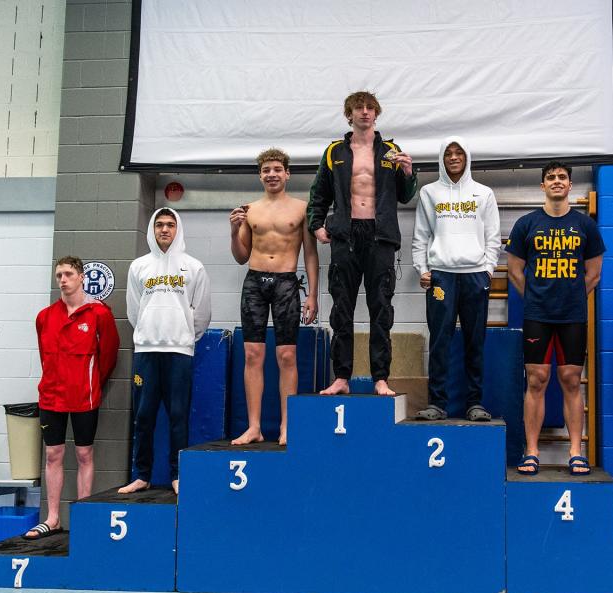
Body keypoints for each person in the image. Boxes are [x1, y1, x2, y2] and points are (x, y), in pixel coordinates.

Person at [307, 91, 417, 397]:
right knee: (342, 308)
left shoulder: (391, 151)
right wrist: (316, 225)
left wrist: (408, 172)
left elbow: (406, 195)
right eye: (359, 108)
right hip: (346, 236)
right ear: (349, 114)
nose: (365, 112)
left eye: (370, 108)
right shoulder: (334, 152)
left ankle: (380, 377)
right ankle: (342, 377)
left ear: (376, 114)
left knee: (380, 308)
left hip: (380, 236)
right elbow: (318, 194)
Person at [506, 161, 605, 476]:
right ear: (543, 186)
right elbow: (514, 271)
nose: (557, 181)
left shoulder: (585, 226)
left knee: (571, 381)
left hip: (572, 315)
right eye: (551, 177)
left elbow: (594, 273)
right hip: (537, 315)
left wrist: (572, 297)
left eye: (562, 177)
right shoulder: (526, 224)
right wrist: (537, 297)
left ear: (570, 184)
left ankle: (576, 451)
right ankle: (531, 451)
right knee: (536, 380)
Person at [25, 256, 119, 539]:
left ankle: (83, 515)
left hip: (84, 397)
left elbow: (109, 356)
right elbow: (45, 358)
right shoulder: (45, 316)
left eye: (68, 274)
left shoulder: (98, 314)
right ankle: (52, 518)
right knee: (53, 454)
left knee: (84, 453)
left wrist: (89, 383)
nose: (63, 280)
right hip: (51, 397)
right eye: (58, 276)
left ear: (81, 277)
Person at [229, 148, 319, 446]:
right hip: (255, 281)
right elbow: (241, 257)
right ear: (260, 175)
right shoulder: (250, 210)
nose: (272, 174)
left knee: (287, 355)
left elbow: (310, 253)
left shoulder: (301, 208)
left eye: (277, 169)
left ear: (287, 173)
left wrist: (313, 296)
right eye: (266, 170)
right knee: (253, 355)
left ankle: (286, 426)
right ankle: (254, 427)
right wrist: (233, 231)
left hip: (285, 282)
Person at [120, 208, 211, 495]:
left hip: (179, 352)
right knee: (144, 416)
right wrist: (148, 334)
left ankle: (177, 474)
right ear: (152, 228)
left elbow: (203, 313)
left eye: (170, 225)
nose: (164, 229)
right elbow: (134, 311)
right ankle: (142, 475)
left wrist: (183, 337)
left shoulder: (193, 267)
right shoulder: (139, 267)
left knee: (178, 416)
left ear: (178, 228)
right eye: (159, 224)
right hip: (146, 350)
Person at [412, 137, 500, 421]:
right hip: (441, 277)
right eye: (448, 153)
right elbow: (421, 234)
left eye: (458, 153)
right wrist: (422, 268)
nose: (453, 158)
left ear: (467, 157)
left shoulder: (483, 193)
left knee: (475, 342)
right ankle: (438, 403)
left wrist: (487, 270)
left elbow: (493, 237)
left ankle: (474, 403)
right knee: (440, 342)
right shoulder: (429, 192)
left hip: (475, 276)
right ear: (442, 158)